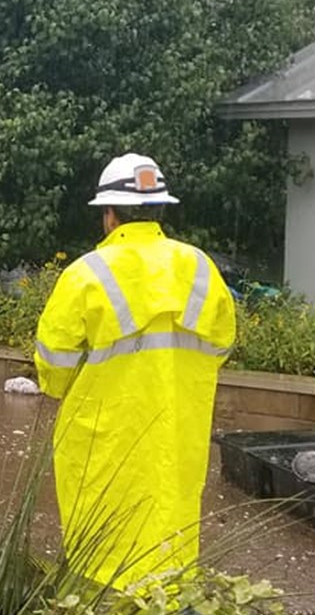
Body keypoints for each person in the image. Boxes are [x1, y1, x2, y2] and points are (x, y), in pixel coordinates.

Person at [33, 153, 236, 590]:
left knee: (104, 557)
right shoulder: (200, 267)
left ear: (109, 216)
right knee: (171, 540)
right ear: (161, 209)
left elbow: (53, 368)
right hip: (180, 433)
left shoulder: (85, 275)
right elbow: (221, 345)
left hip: (105, 440)